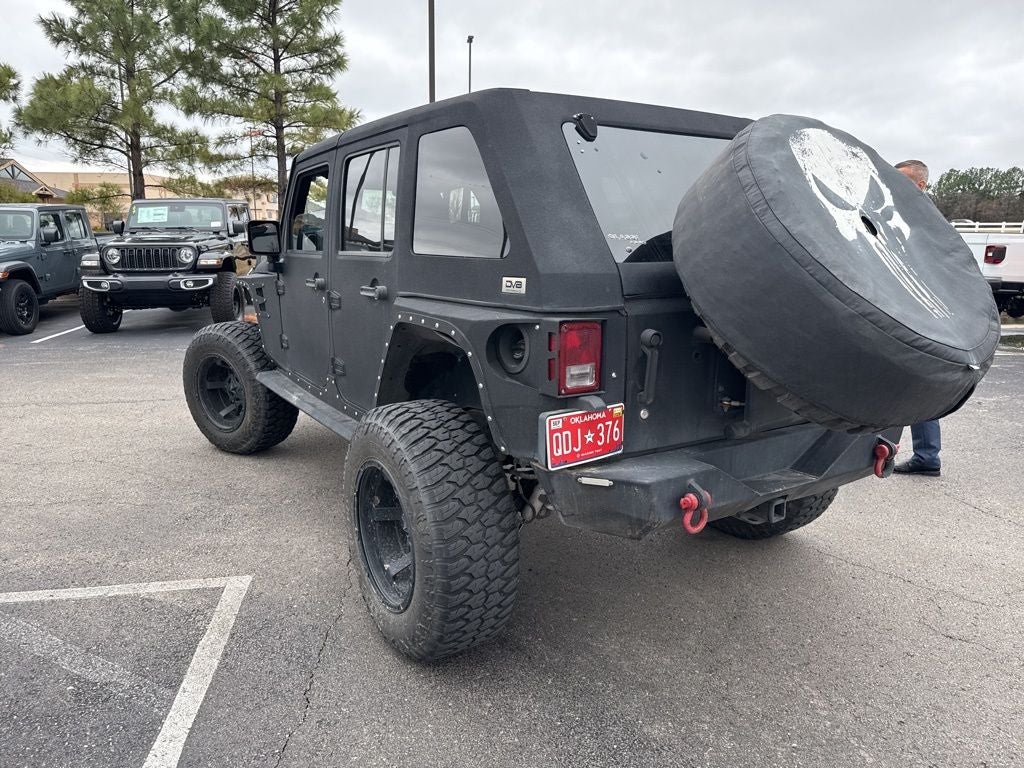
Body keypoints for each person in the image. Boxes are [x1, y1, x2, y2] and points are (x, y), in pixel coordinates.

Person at [892, 159, 941, 477]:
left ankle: (925, 456)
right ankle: (925, 454)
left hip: (915, 313)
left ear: (921, 185)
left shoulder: (925, 222)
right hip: (907, 311)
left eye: (903, 180)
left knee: (912, 385)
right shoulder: (906, 215)